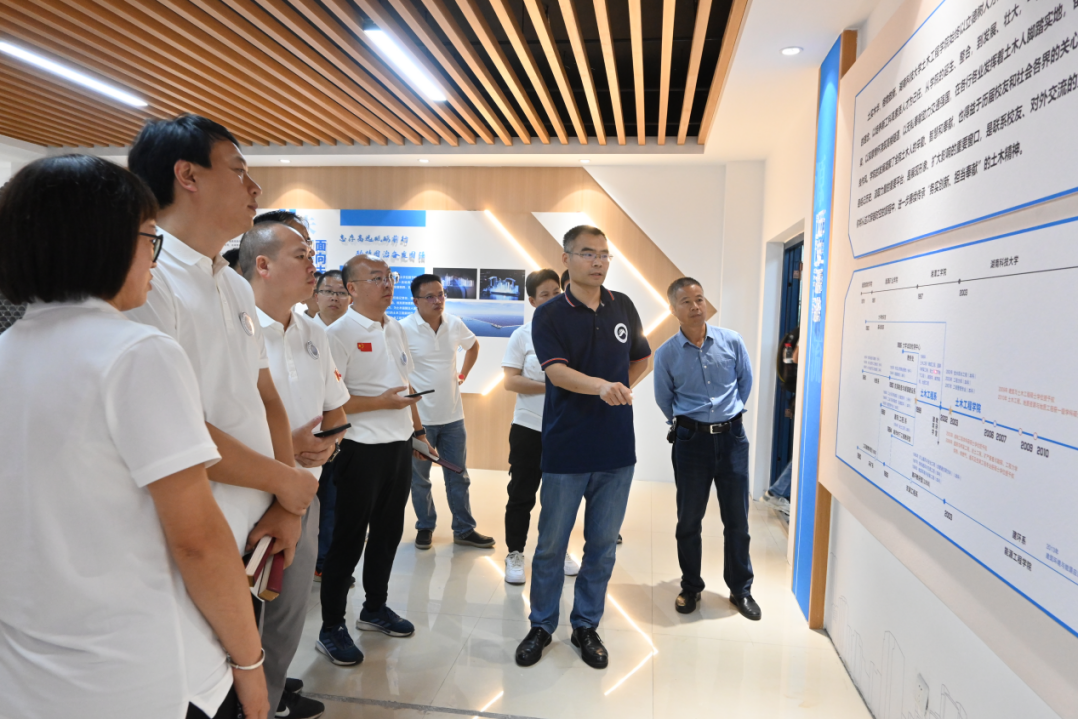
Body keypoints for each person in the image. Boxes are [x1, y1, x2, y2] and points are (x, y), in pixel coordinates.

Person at [0, 155, 269, 719]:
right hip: (141, 674)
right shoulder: (136, 353)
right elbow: (198, 541)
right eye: (150, 238)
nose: (153, 256)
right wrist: (250, 665)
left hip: (26, 676)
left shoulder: (8, 352)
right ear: (104, 242)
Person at [125, 115, 319, 705]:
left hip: (255, 524)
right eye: (239, 171)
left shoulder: (232, 284)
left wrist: (286, 498)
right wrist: (285, 482)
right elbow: (175, 429)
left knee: (242, 677)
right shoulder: (147, 283)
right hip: (192, 535)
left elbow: (265, 396)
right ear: (187, 176)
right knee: (204, 689)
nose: (254, 188)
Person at [515, 225, 651, 670]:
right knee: (551, 545)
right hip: (566, 448)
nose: (598, 262)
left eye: (605, 255)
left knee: (602, 546)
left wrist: (620, 388)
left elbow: (641, 357)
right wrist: (602, 387)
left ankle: (586, 625)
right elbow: (555, 372)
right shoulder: (550, 314)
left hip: (616, 449)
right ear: (567, 258)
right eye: (588, 253)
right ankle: (541, 624)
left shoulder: (622, 305)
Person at [241, 222, 350, 718]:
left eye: (312, 254)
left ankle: (271, 700)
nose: (314, 266)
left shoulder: (313, 333)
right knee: (242, 614)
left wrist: (328, 446)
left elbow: (336, 409)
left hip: (305, 495)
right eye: (301, 255)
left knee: (286, 617)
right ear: (262, 265)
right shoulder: (237, 327)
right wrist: (290, 448)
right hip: (246, 496)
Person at [318, 255, 437, 665]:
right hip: (358, 449)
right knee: (348, 539)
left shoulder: (395, 328)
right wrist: (380, 403)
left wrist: (418, 433)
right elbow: (330, 403)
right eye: (376, 278)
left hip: (398, 447)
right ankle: (331, 626)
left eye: (389, 277)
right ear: (351, 289)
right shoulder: (337, 334)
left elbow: (406, 386)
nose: (387, 284)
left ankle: (374, 608)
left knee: (388, 534)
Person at [653, 277, 760, 620]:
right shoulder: (666, 353)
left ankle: (741, 589)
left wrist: (728, 415)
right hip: (691, 441)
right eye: (686, 301)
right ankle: (690, 586)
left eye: (699, 299)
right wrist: (691, 422)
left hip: (732, 439)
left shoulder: (732, 341)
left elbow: (745, 382)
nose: (695, 306)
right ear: (673, 309)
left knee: (737, 520)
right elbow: (663, 398)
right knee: (689, 520)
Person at [401, 274, 494, 550]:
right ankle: (425, 526)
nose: (437, 301)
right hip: (419, 420)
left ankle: (464, 529)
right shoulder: (403, 329)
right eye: (430, 296)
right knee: (420, 479)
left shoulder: (454, 323)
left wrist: (463, 374)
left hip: (453, 417)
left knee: (458, 475)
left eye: (441, 294)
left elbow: (473, 346)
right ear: (416, 301)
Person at [501, 269, 580, 584]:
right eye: (544, 294)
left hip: (565, 428)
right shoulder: (522, 335)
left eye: (556, 292)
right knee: (522, 493)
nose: (552, 299)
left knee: (561, 498)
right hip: (528, 428)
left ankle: (557, 550)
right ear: (532, 301)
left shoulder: (573, 334)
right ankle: (515, 553)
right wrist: (554, 384)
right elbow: (510, 381)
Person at [763, 328, 799, 514]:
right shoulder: (805, 334)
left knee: (807, 452)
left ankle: (777, 493)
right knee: (807, 452)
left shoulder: (796, 334)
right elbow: (796, 358)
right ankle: (776, 493)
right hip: (804, 399)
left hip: (798, 397)